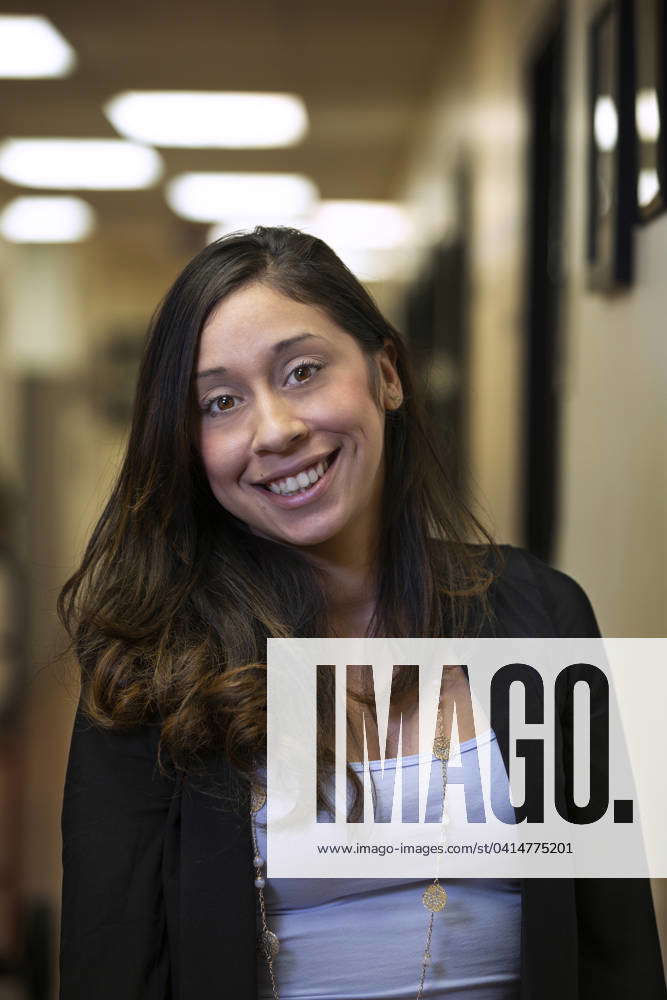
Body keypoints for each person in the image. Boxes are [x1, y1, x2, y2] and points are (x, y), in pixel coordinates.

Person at [57, 226, 666, 1000]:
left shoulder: (542, 611)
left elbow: (616, 946)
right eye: (220, 402)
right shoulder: (149, 662)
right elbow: (109, 967)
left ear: (386, 373)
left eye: (303, 372)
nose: (274, 430)